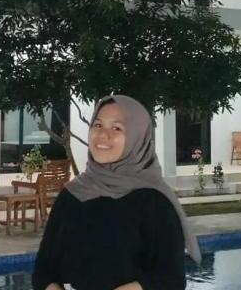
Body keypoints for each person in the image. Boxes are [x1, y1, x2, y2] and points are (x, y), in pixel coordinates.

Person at [32, 94, 201, 290]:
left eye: (117, 128)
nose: (103, 135)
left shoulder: (154, 202)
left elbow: (170, 279)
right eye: (98, 125)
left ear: (136, 138)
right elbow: (44, 269)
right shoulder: (73, 194)